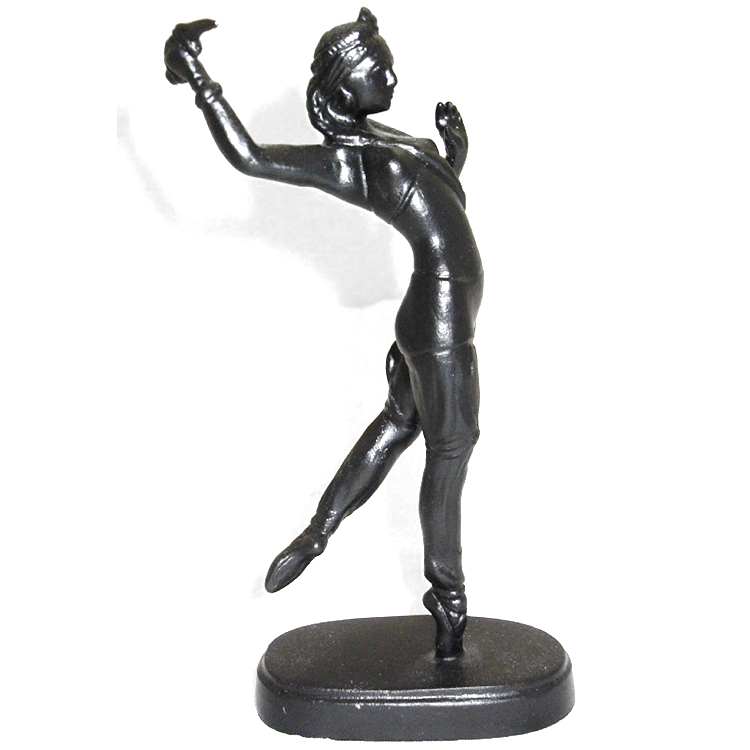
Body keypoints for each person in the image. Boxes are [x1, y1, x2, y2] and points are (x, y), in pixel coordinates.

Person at [165, 8, 483, 659]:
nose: (392, 77)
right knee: (451, 447)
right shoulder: (349, 163)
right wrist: (199, 78)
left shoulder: (384, 141)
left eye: (389, 65)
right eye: (378, 70)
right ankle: (447, 597)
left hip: (438, 315)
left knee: (400, 425)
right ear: (342, 88)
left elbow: (443, 211)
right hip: (439, 319)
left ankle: (318, 531)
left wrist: (453, 156)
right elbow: (251, 157)